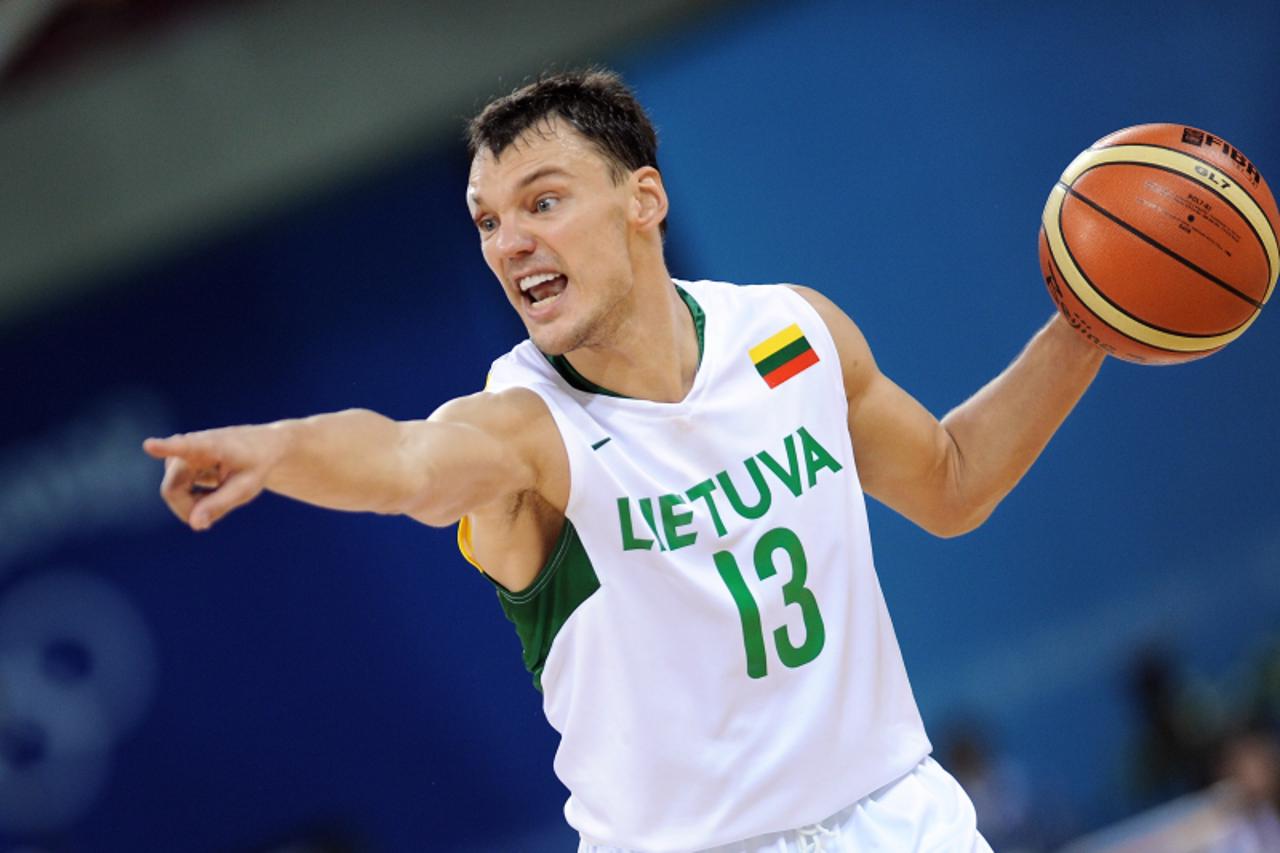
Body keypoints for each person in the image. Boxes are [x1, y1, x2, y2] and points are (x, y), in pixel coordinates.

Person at [144, 69, 1104, 851]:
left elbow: (951, 482)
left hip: (901, 816)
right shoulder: (524, 428)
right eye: (486, 221)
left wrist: (1091, 327)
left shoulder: (793, 333)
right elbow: (401, 459)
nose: (511, 241)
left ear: (643, 197)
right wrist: (277, 448)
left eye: (543, 201)